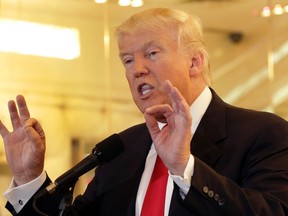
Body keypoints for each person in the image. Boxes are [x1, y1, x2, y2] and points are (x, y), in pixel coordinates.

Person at [1, 7, 288, 216]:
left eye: (152, 53)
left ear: (194, 62)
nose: (137, 69)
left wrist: (185, 169)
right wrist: (29, 178)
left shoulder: (264, 133)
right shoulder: (120, 150)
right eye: (127, 59)